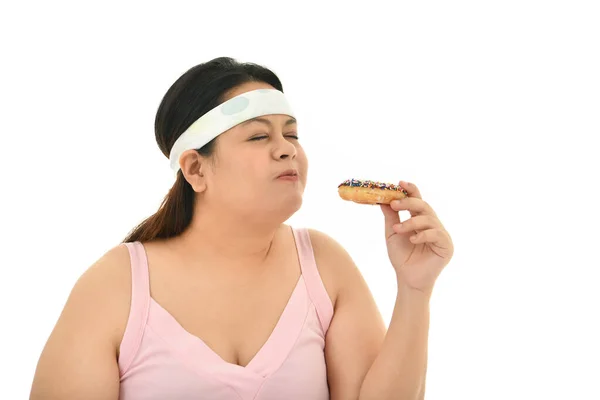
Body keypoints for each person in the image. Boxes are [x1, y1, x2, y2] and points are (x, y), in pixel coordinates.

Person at [30, 57, 454, 400]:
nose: (287, 148)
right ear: (196, 168)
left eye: (291, 134)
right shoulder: (116, 284)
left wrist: (415, 290)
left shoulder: (324, 265)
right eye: (257, 137)